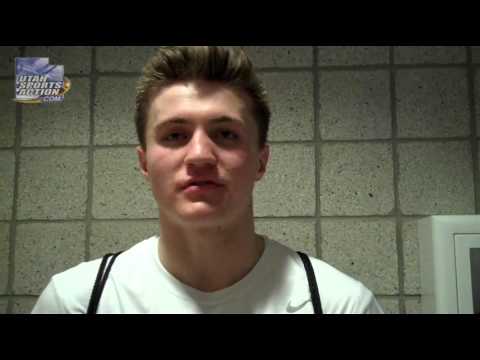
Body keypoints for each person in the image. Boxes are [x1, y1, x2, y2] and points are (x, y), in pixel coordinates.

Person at [32, 46, 384, 314]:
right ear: (144, 163)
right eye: (174, 135)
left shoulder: (340, 304)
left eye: (226, 134)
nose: (200, 155)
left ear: (261, 161)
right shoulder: (75, 301)